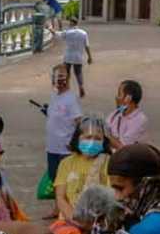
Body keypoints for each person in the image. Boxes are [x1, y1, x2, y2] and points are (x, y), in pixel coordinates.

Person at [55, 115, 112, 222]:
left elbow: (111, 198)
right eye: (88, 137)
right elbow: (60, 197)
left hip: (97, 223)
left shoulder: (108, 162)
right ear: (78, 138)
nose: (92, 142)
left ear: (104, 142)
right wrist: (73, 219)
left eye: (97, 138)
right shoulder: (66, 163)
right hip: (68, 220)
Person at [44, 64, 83, 218]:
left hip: (65, 147)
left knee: (66, 180)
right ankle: (57, 208)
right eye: (56, 76)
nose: (59, 80)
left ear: (68, 78)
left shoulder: (71, 98)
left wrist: (74, 142)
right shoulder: (54, 95)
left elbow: (79, 121)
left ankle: (67, 210)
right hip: (52, 145)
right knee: (54, 177)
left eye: (62, 76)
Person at [48, 17, 92, 98]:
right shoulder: (83, 33)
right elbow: (87, 46)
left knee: (67, 73)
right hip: (78, 56)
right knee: (78, 73)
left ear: (71, 23)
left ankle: (67, 89)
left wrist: (50, 28)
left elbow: (56, 33)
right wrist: (90, 57)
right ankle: (81, 86)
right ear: (77, 23)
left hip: (68, 56)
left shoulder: (68, 32)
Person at [107, 79, 150, 149]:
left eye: (119, 94)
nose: (116, 98)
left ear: (128, 98)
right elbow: (106, 127)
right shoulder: (115, 115)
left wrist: (106, 134)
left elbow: (123, 148)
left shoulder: (140, 120)